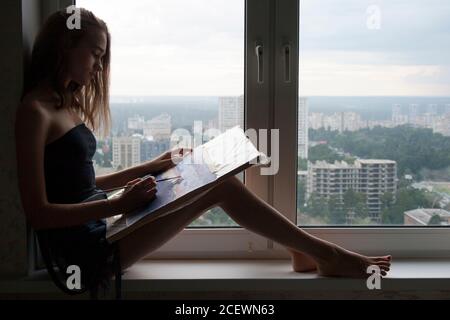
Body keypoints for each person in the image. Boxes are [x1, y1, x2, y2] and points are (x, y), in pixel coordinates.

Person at [15, 8, 391, 292]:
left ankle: (303, 251)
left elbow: (81, 182)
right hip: (87, 255)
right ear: (66, 45)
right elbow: (40, 213)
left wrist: (151, 166)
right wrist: (117, 205)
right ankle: (327, 255)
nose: (98, 67)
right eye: (95, 54)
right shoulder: (35, 111)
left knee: (205, 171)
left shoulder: (64, 103)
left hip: (104, 229)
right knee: (222, 186)